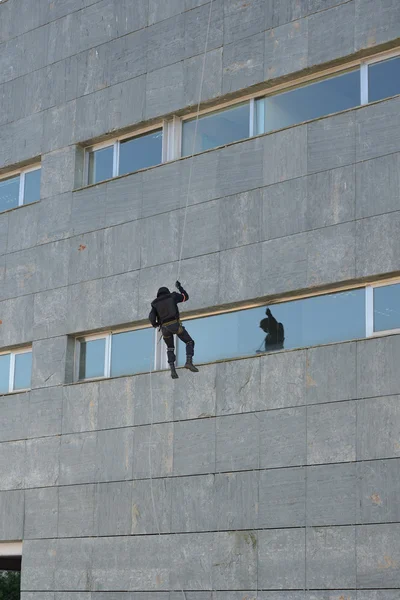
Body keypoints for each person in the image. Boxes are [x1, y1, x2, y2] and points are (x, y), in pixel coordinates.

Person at [149, 281, 199, 379]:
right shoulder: (172, 296)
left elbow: (151, 317)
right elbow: (185, 297)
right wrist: (179, 287)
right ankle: (188, 362)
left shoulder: (154, 303)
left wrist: (155, 324)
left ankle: (172, 370)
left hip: (164, 329)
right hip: (174, 325)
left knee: (170, 348)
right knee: (189, 342)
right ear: (167, 292)